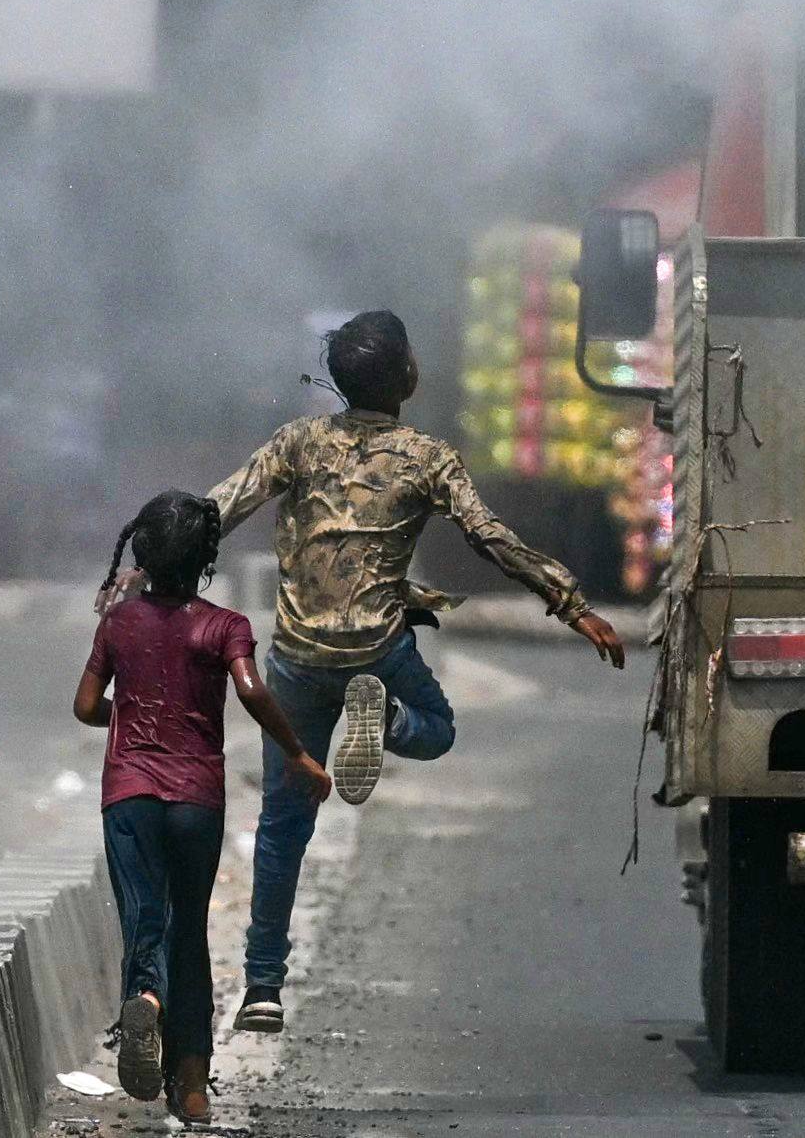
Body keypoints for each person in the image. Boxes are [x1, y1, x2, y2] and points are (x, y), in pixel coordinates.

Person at [206, 309, 625, 1033]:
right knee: (436, 729)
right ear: (407, 378)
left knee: (281, 826)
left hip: (298, 659)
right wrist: (571, 603)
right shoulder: (427, 458)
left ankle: (263, 990)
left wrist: (147, 567)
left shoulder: (297, 443)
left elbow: (221, 505)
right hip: (378, 650)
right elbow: (490, 537)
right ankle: (388, 720)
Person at [76, 490, 332, 1122]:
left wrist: (131, 716)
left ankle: (146, 1000)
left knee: (144, 917)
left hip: (129, 794)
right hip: (196, 796)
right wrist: (297, 754)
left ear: (144, 554)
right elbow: (249, 688)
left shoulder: (119, 622)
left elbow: (85, 707)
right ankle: (192, 1087)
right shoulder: (223, 625)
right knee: (188, 926)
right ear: (205, 559)